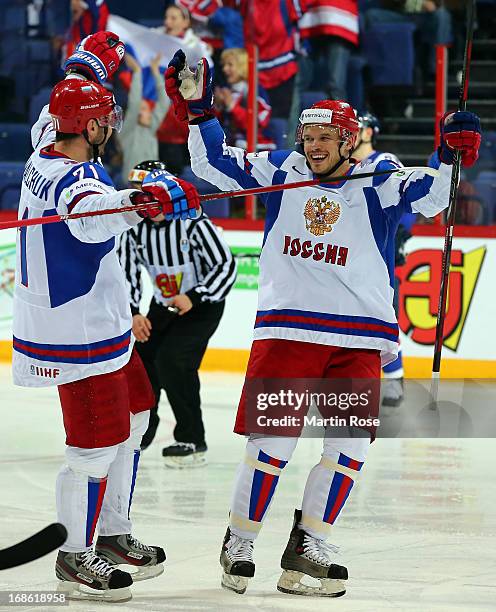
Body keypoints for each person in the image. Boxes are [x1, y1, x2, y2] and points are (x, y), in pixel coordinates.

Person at [164, 49, 481, 596]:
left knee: (350, 449)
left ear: (348, 139)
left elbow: (430, 197)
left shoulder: (378, 175)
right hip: (290, 330)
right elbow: (215, 165)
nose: (313, 149)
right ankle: (241, 539)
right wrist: (199, 109)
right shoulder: (283, 169)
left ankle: (309, 543)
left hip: (358, 336)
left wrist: (448, 153)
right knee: (273, 445)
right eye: (308, 139)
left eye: (324, 140)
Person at [13, 32, 200, 602]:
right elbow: (95, 214)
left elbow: (59, 101)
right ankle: (74, 556)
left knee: (140, 413)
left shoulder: (48, 138)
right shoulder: (78, 183)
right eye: (104, 120)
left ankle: (113, 534)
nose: (110, 127)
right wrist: (151, 201)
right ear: (90, 128)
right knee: (92, 449)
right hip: (78, 333)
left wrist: (91, 62)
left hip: (105, 326)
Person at [118, 160, 237, 466]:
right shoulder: (134, 229)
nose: (140, 200)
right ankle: (143, 431)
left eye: (146, 193)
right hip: (164, 304)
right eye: (137, 193)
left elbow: (225, 266)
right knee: (141, 360)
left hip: (202, 306)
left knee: (173, 361)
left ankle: (192, 438)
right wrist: (133, 312)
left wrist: (194, 297)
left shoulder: (193, 222)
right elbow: (126, 273)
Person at [352, 112, 409, 407]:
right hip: (349, 254)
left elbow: (403, 197)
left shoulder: (383, 161)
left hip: (376, 250)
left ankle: (394, 379)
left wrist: (399, 236)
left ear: (370, 132)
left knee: (382, 315)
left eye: (359, 127)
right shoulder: (343, 163)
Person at [119, 52, 169, 182]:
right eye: (140, 109)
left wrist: (156, 72)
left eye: (146, 109)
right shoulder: (126, 131)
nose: (142, 112)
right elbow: (135, 102)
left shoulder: (151, 128)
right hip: (132, 185)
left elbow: (164, 102)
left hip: (153, 185)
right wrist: (137, 72)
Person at [214, 48, 274, 150]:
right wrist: (218, 107)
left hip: (259, 149)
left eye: (230, 65)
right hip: (233, 146)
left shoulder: (255, 90)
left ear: (243, 67)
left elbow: (256, 124)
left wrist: (232, 106)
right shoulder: (227, 91)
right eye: (224, 65)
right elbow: (219, 128)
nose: (225, 69)